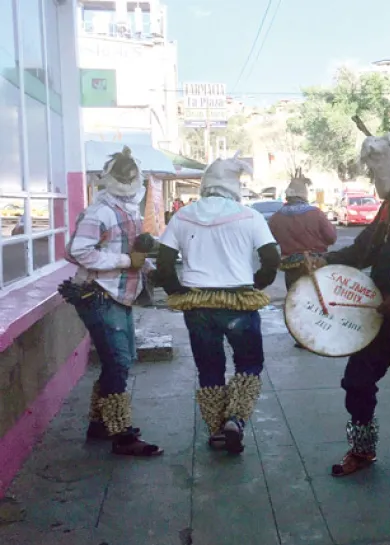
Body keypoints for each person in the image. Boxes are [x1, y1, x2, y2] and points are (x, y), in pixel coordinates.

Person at [308, 132, 390, 486]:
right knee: (358, 379)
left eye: (373, 172)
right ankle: (362, 450)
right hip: (381, 311)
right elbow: (365, 249)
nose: (371, 179)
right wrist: (326, 260)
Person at [155, 154, 280, 454]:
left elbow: (164, 261)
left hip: (198, 304)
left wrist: (178, 291)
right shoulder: (249, 216)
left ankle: (215, 430)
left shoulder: (183, 215)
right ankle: (235, 419)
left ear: (205, 185)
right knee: (249, 363)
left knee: (209, 366)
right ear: (234, 185)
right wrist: (256, 284)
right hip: (238, 301)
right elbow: (272, 257)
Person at [60, 146, 162, 457]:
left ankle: (100, 423)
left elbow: (128, 255)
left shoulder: (126, 208)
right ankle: (120, 434)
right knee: (119, 361)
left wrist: (145, 264)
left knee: (119, 360)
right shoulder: (101, 211)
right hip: (100, 294)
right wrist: (126, 259)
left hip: (117, 294)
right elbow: (76, 251)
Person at [268, 169, 337, 292]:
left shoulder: (275, 218)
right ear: (304, 195)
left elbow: (270, 244)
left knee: (295, 303)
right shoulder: (316, 213)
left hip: (291, 270)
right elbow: (331, 238)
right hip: (316, 266)